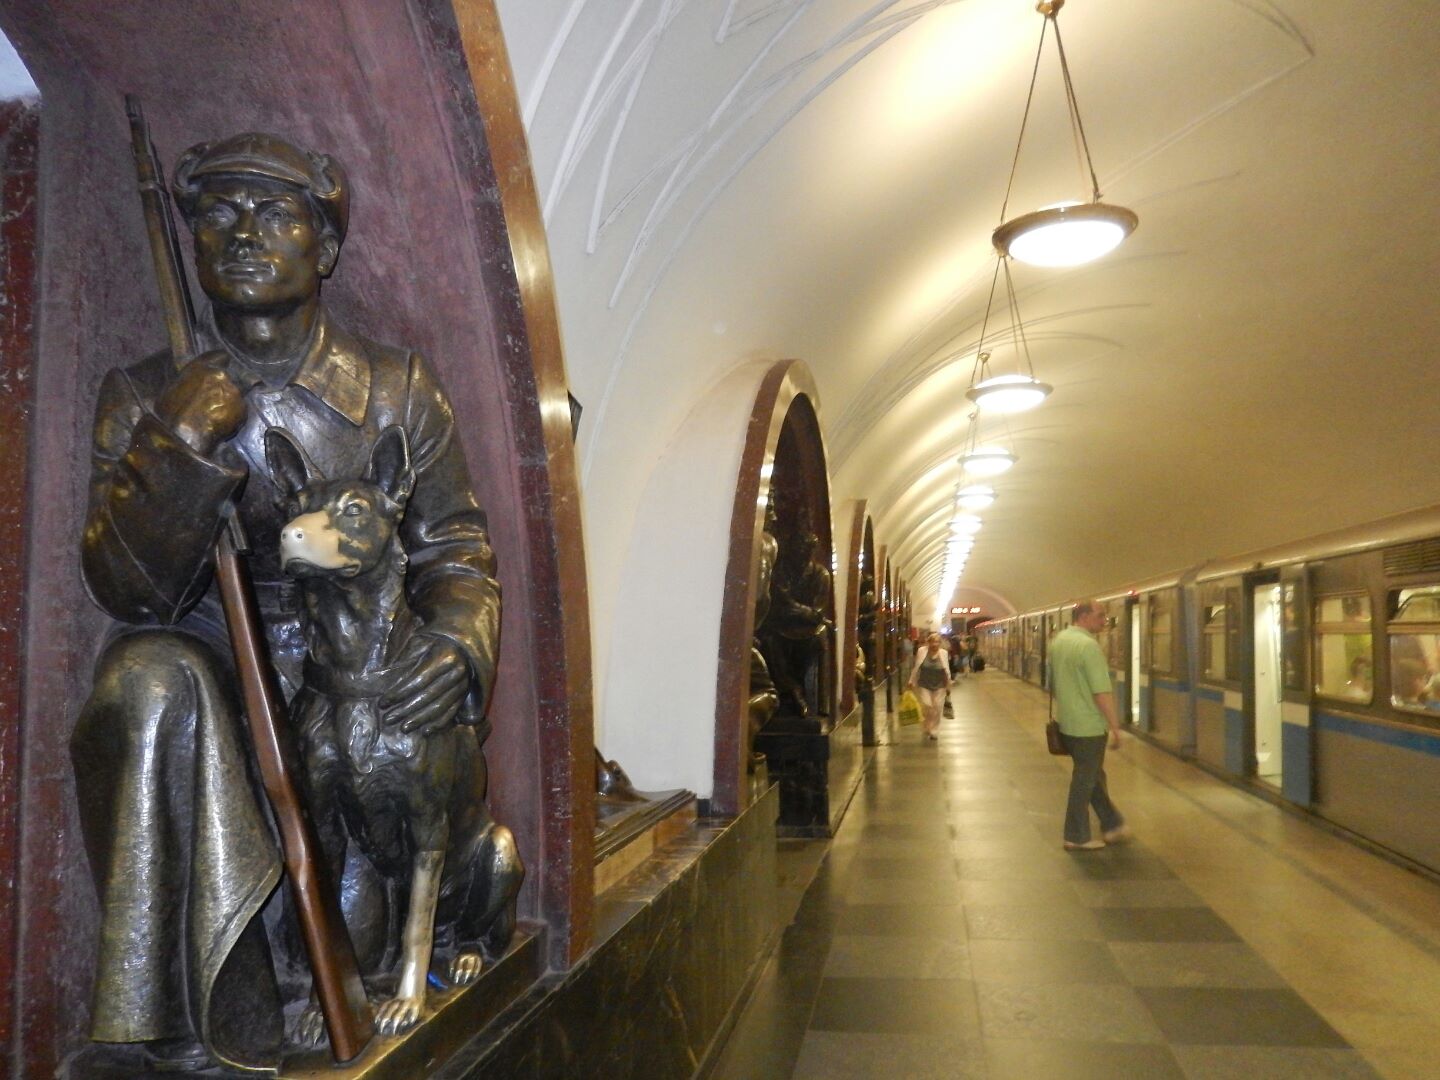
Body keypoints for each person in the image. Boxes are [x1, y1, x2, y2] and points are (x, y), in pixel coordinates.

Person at [70, 133, 505, 1071]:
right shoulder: (145, 393)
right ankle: (173, 1029)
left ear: (326, 246)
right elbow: (123, 586)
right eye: (218, 213)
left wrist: (455, 645)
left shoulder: (396, 388)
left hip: (361, 665)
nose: (243, 232)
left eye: (274, 213)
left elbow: (456, 550)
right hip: (217, 659)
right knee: (144, 681)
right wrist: (179, 442)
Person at [1048, 601, 1127, 851]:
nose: (1104, 621)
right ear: (1083, 616)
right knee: (1084, 781)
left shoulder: (1059, 641)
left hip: (1066, 722)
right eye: (1100, 616)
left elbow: (1053, 683)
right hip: (1088, 726)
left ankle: (1112, 823)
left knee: (1093, 775)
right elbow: (1101, 691)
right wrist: (1115, 726)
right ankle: (1076, 836)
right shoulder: (1088, 646)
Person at [907, 631, 951, 741]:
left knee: (937, 707)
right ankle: (927, 726)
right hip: (924, 684)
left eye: (937, 642)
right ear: (928, 642)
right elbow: (916, 667)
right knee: (927, 705)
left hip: (940, 684)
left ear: (940, 643)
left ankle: (934, 730)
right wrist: (911, 680)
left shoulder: (944, 653)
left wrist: (948, 685)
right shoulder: (922, 651)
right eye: (933, 642)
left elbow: (946, 670)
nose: (935, 644)